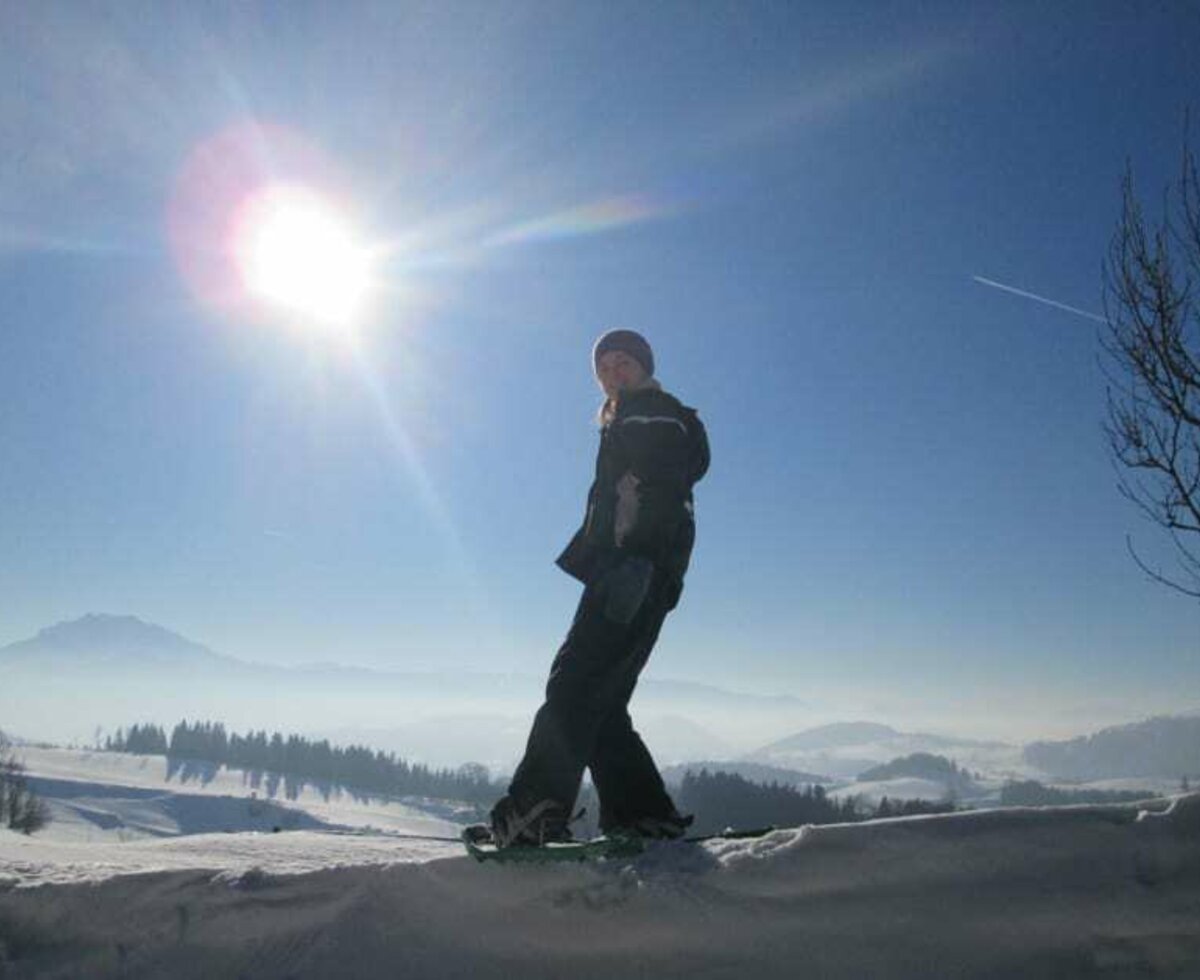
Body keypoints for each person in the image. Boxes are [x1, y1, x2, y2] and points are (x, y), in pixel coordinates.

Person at [490, 328, 710, 846]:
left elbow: (662, 487)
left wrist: (636, 559)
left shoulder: (649, 413)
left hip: (632, 572)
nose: (614, 373)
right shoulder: (639, 416)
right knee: (602, 701)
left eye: (623, 363)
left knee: (573, 686)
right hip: (643, 574)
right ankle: (642, 815)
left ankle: (534, 813)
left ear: (643, 366)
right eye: (604, 368)